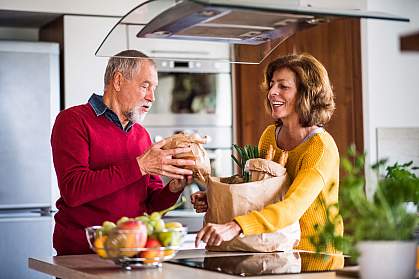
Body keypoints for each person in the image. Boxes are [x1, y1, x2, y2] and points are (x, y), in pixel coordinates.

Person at [192, 53, 343, 253]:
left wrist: (236, 226)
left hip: (315, 257)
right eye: (272, 84)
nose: (272, 92)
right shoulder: (270, 135)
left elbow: (292, 206)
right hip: (277, 250)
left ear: (307, 93)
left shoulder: (321, 147)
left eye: (283, 86)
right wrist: (217, 199)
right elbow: (260, 191)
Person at [51, 50, 195, 255]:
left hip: (134, 251)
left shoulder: (141, 134)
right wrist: (140, 166)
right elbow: (73, 191)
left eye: (154, 88)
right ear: (118, 81)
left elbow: (152, 205)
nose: (152, 97)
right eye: (145, 86)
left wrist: (173, 188)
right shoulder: (73, 121)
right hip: (83, 254)